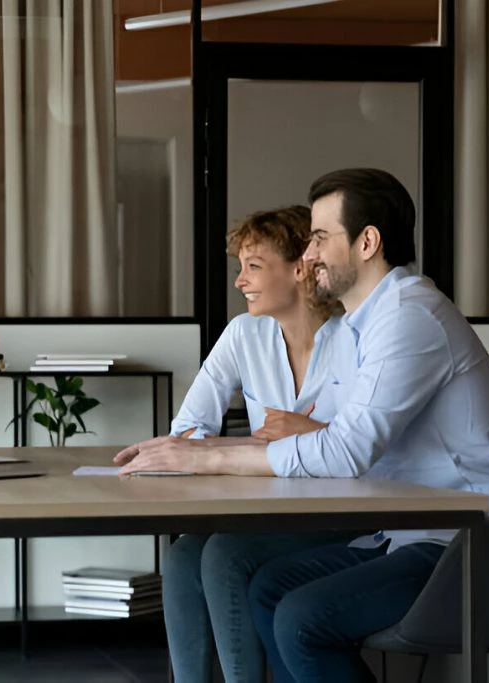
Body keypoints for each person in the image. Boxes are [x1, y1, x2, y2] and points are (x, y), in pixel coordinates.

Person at [118, 168, 489, 683]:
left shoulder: (409, 318)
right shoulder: (367, 323)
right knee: (269, 587)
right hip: (406, 532)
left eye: (319, 238)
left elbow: (344, 451)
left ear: (368, 242)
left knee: (298, 617)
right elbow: (330, 435)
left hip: (466, 542)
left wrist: (206, 455)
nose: (308, 254)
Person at [120, 206, 352, 683]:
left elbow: (359, 448)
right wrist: (256, 444)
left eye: (253, 266)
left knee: (224, 554)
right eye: (239, 267)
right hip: (273, 512)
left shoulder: (353, 337)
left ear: (300, 267)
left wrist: (305, 436)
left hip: (346, 519)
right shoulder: (244, 334)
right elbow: (187, 430)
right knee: (183, 555)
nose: (239, 281)